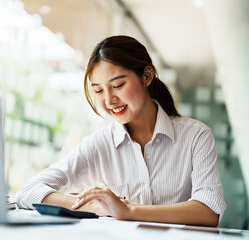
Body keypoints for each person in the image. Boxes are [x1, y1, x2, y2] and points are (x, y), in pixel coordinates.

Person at [16, 35, 226, 227]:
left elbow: (209, 211)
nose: (108, 100)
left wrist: (128, 210)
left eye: (118, 85)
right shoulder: (99, 144)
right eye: (98, 90)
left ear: (147, 76)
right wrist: (97, 206)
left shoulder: (195, 136)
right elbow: (27, 192)